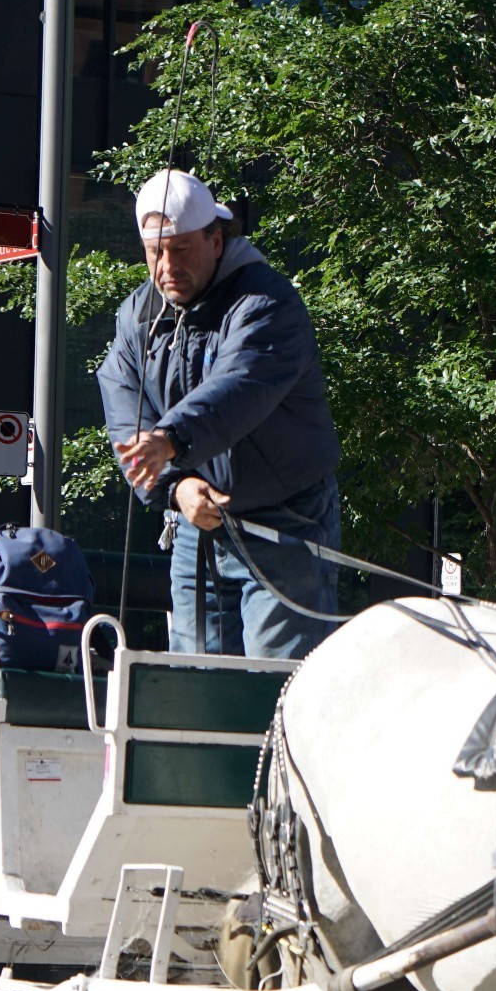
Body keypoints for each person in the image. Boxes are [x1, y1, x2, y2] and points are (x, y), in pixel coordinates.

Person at [98, 169, 342, 659]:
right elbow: (124, 401)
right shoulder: (137, 316)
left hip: (285, 523)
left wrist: (170, 439)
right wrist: (175, 485)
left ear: (216, 239)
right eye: (155, 252)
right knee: (196, 683)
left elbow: (241, 385)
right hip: (196, 522)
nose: (167, 266)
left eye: (182, 249)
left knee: (273, 687)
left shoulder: (267, 302)